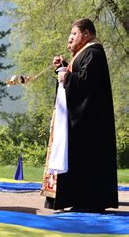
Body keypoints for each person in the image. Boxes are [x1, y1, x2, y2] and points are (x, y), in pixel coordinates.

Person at [45, 18, 119, 212]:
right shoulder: (85, 53)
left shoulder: (94, 52)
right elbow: (80, 77)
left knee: (88, 161)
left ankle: (88, 201)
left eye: (74, 34)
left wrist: (67, 77)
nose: (70, 38)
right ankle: (77, 199)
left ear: (86, 34)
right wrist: (64, 67)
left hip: (90, 124)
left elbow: (85, 84)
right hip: (83, 121)